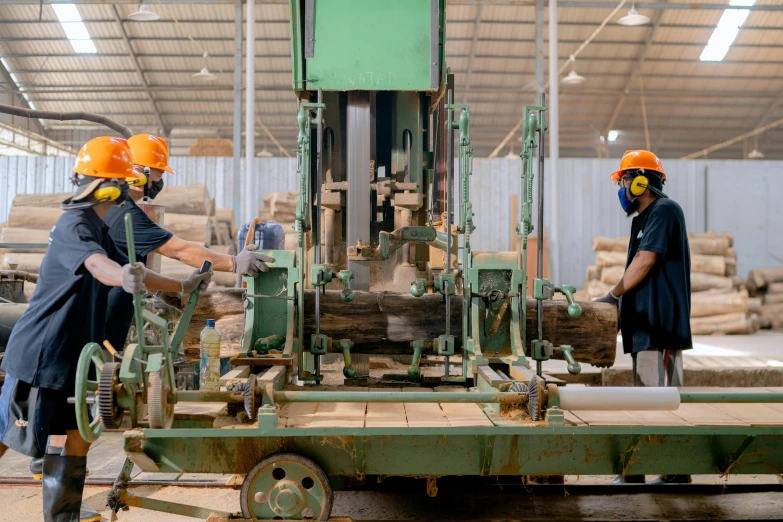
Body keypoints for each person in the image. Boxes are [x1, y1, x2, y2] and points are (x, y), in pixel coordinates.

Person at [0, 136, 211, 522]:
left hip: (77, 351)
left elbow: (137, 272)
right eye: (122, 183)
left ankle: (63, 516)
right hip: (42, 352)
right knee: (8, 435)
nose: (130, 190)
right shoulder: (74, 225)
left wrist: (181, 286)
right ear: (108, 186)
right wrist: (123, 276)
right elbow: (99, 266)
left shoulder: (102, 223)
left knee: (78, 434)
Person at [594, 150, 692, 485]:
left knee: (660, 399)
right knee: (646, 397)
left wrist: (612, 294)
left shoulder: (664, 210)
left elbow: (646, 260)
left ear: (641, 180)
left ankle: (664, 471)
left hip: (660, 325)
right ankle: (655, 471)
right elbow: (637, 271)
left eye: (623, 180)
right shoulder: (642, 220)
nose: (621, 188)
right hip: (644, 325)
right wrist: (621, 310)